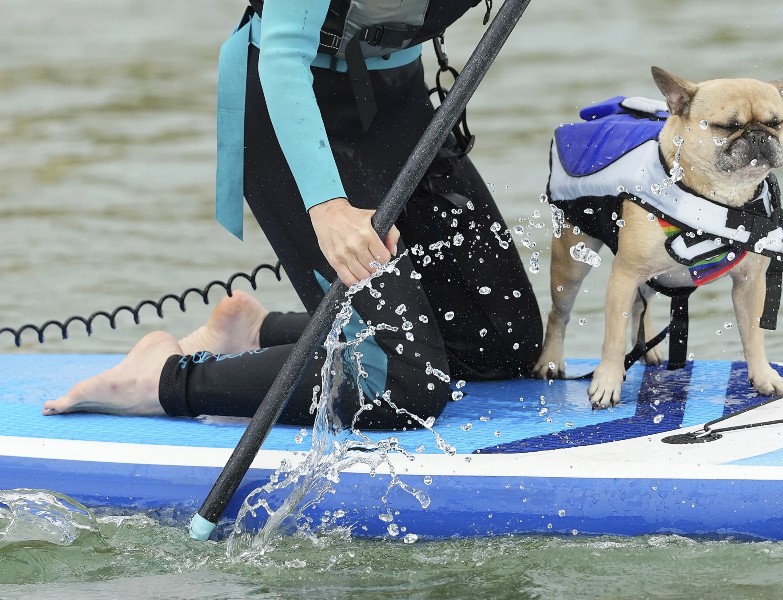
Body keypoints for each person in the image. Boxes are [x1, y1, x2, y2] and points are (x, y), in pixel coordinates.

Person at [43, 0, 543, 430]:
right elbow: (283, 57)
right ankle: (162, 378)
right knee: (402, 384)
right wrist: (329, 209)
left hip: (399, 101)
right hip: (293, 110)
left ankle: (257, 331)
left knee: (502, 347)